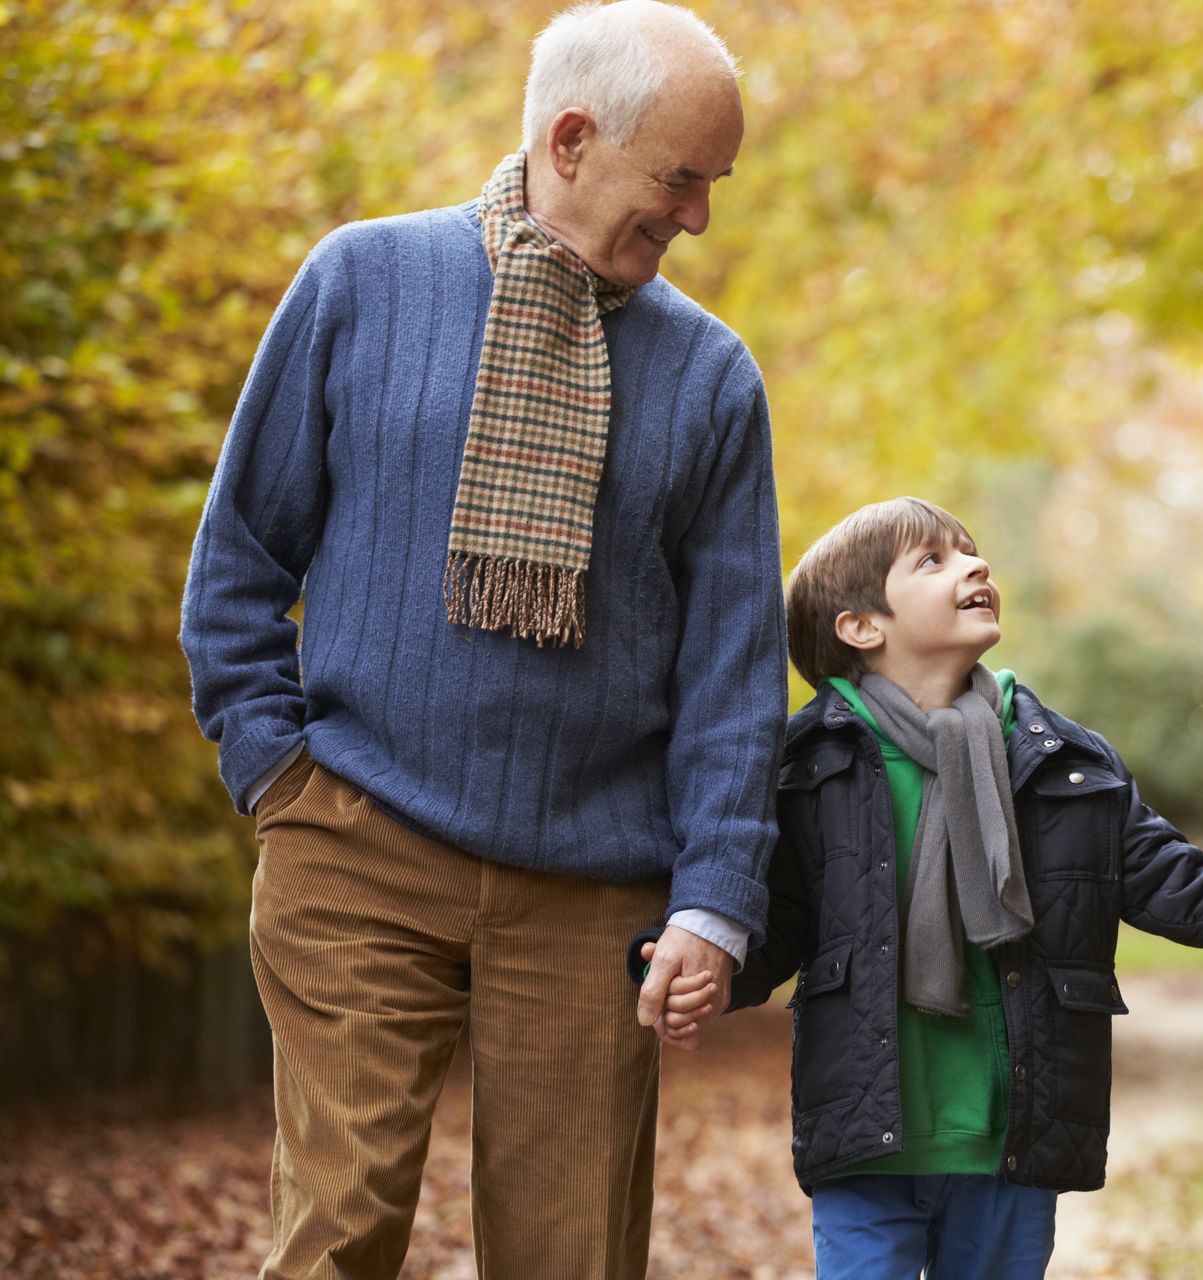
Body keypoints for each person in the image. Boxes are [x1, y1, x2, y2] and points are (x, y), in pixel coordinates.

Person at [178, 3, 785, 1276]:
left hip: (590, 892)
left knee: (571, 1257)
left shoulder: (713, 377)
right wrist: (277, 774)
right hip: (357, 846)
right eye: (681, 179)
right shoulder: (361, 281)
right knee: (334, 1235)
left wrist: (715, 900)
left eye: (711, 184)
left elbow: (732, 678)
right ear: (573, 139)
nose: (697, 218)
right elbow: (240, 559)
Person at [637, 497, 1203, 1279]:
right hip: (868, 1135)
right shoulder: (808, 767)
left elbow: (1178, 885)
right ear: (861, 626)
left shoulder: (1062, 761)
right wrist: (709, 970)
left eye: (972, 552)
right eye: (934, 560)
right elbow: (773, 921)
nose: (974, 566)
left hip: (1011, 1135)